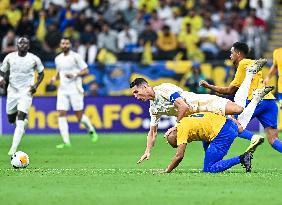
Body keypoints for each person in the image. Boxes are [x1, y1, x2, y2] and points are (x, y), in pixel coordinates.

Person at [130, 58, 267, 164]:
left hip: (204, 104)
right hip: (200, 117)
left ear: (145, 87)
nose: (136, 96)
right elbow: (152, 132)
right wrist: (148, 151)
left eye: (136, 92)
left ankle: (249, 76)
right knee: (238, 127)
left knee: (239, 110)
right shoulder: (153, 108)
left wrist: (177, 126)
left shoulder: (163, 89)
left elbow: (183, 107)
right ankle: (254, 97)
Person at [163, 85, 273, 173]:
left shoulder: (181, 131)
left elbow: (179, 156)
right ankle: (255, 101)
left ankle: (242, 158)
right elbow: (204, 129)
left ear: (177, 137)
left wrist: (167, 170)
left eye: (176, 143)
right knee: (206, 141)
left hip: (223, 133)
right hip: (227, 123)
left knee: (209, 169)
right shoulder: (185, 121)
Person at [200, 42, 282, 153]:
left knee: (232, 124)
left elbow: (229, 90)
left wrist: (208, 86)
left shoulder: (243, 63)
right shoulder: (251, 64)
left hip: (255, 100)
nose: (230, 55)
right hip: (270, 101)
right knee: (273, 139)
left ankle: (254, 138)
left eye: (231, 52)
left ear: (238, 54)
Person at [49, 37, 98, 148]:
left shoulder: (76, 57)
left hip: (75, 89)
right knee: (61, 113)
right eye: (63, 43)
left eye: (67, 43)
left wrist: (74, 74)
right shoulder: (58, 58)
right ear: (60, 45)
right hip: (62, 90)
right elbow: (59, 71)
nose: (65, 45)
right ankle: (66, 142)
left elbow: (86, 70)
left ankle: (90, 128)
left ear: (70, 45)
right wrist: (53, 78)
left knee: (79, 117)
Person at [0, 37, 45, 155]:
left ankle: (13, 148)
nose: (23, 45)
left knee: (20, 117)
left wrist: (36, 85)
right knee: (11, 119)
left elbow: (41, 73)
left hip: (26, 92)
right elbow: (2, 70)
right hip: (12, 92)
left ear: (28, 46)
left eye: (25, 43)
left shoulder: (34, 59)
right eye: (21, 43)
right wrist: (1, 79)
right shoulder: (10, 57)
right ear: (17, 45)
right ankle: (23, 123)